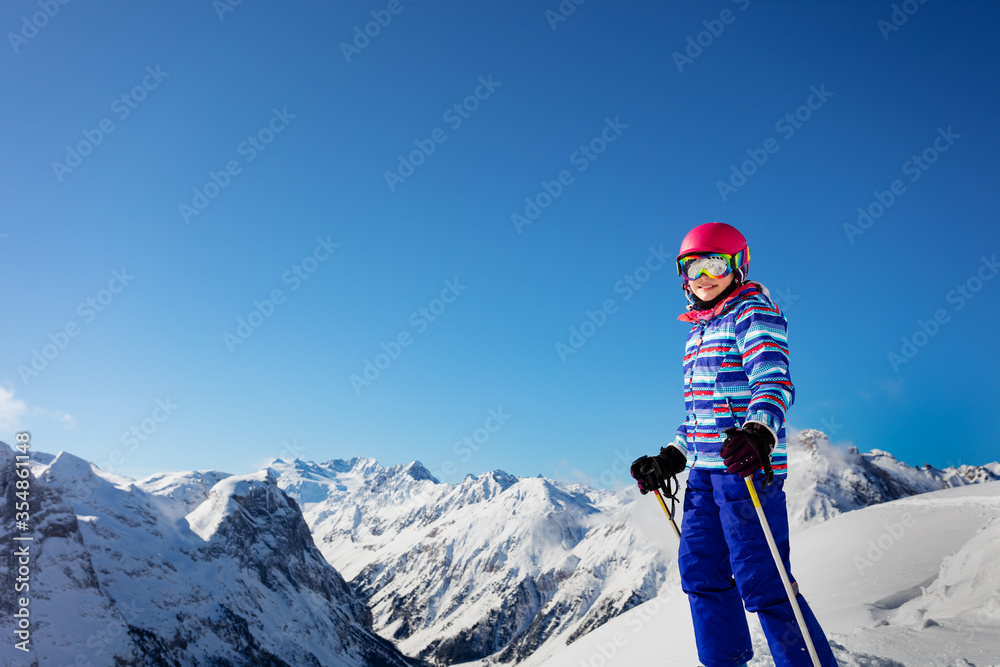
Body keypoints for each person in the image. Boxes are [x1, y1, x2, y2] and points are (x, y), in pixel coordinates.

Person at [630, 222, 838, 667]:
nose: (704, 278)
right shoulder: (695, 335)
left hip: (745, 470)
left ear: (737, 265)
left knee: (764, 580)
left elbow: (774, 379)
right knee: (701, 573)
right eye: (693, 268)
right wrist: (672, 456)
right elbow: (699, 417)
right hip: (705, 474)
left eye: (715, 264)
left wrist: (759, 433)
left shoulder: (752, 312)